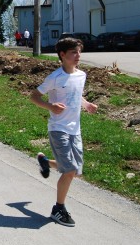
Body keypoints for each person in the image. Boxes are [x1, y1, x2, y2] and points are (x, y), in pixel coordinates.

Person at [30, 37, 98, 227]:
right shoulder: (55, 77)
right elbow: (33, 96)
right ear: (62, 55)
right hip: (58, 128)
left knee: (75, 172)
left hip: (75, 130)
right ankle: (58, 209)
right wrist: (49, 106)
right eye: (73, 53)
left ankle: (44, 161)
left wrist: (87, 104)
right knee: (69, 170)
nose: (78, 56)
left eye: (79, 52)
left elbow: (76, 94)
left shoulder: (81, 75)